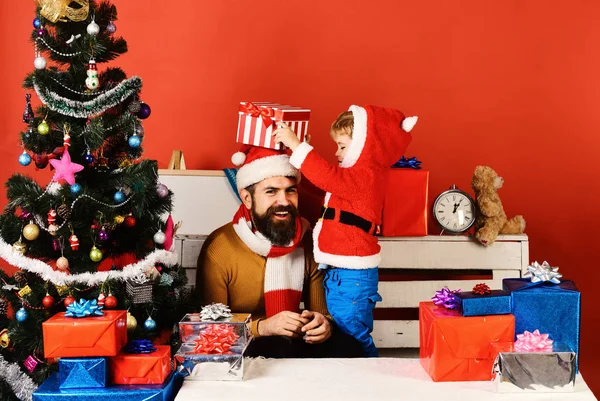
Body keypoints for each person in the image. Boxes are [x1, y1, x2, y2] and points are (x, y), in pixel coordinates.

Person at [273, 105, 417, 357]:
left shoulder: (366, 177)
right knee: (343, 330)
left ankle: (372, 376)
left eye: (342, 146)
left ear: (364, 145)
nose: (337, 153)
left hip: (353, 274)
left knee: (353, 334)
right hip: (343, 271)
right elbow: (320, 182)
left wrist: (299, 146)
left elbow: (326, 176)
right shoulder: (352, 179)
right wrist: (295, 152)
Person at [196, 145, 363, 358]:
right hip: (245, 344)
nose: (283, 201)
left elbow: (321, 313)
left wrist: (323, 325)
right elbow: (210, 327)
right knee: (275, 346)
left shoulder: (308, 240)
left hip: (293, 339)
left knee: (349, 346)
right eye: (271, 191)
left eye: (290, 191)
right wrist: (264, 327)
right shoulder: (220, 247)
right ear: (247, 198)